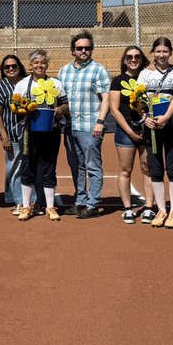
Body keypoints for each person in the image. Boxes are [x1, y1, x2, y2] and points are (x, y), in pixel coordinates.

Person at [12, 50, 69, 222]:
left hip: (51, 131)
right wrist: (24, 110)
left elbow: (66, 105)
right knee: (28, 167)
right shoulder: (22, 85)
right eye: (36, 63)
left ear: (47, 65)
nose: (39, 66)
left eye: (43, 63)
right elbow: (14, 106)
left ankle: (50, 207)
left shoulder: (56, 84)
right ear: (30, 65)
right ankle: (26, 206)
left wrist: (60, 110)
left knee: (49, 167)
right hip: (29, 132)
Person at [59, 30, 111, 219]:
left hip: (90, 126)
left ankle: (93, 203)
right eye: (79, 48)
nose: (83, 51)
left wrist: (100, 121)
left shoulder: (99, 70)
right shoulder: (63, 71)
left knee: (93, 166)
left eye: (87, 48)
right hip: (70, 126)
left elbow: (106, 99)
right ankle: (80, 201)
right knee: (76, 165)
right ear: (73, 50)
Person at [139, 37, 173, 229]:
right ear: (153, 53)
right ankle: (161, 210)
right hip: (150, 127)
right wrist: (146, 118)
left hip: (172, 125)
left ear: (170, 52)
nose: (161, 55)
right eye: (158, 51)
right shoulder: (144, 74)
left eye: (165, 51)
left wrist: (167, 117)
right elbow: (140, 99)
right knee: (156, 169)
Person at [108, 45, 153, 224]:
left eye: (137, 57)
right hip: (126, 131)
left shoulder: (149, 78)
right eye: (129, 57)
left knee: (147, 169)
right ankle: (127, 208)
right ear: (124, 60)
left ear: (142, 59)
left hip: (147, 130)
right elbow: (114, 110)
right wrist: (130, 131)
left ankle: (149, 207)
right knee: (126, 170)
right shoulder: (118, 80)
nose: (133, 60)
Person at [0, 54, 28, 214]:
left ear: (19, 67)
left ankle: (32, 200)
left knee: (30, 166)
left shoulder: (28, 83)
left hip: (29, 134)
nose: (11, 69)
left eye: (14, 66)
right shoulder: (1, 87)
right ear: (3, 70)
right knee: (14, 168)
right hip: (12, 135)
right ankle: (18, 200)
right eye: (7, 67)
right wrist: (4, 136)